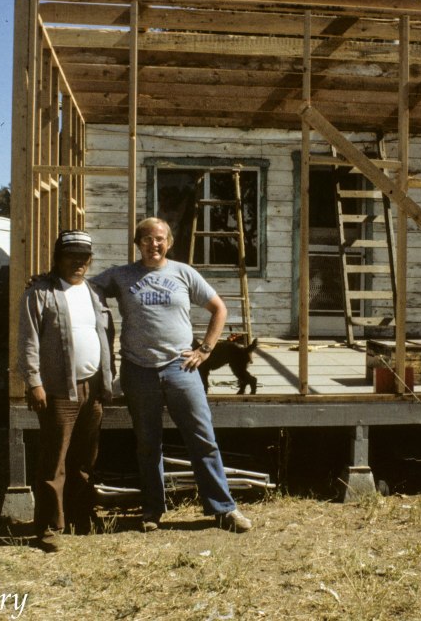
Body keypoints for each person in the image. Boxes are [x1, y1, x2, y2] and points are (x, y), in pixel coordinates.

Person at [91, 217, 252, 533]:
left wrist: (204, 350)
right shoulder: (122, 276)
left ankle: (223, 509)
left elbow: (219, 309)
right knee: (147, 444)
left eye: (160, 238)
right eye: (147, 239)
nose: (154, 244)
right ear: (138, 242)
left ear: (170, 242)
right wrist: (49, 281)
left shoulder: (184, 273)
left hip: (181, 369)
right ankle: (152, 510)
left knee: (203, 439)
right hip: (138, 371)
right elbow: (84, 284)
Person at [18, 230, 113, 552]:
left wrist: (106, 382)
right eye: (70, 256)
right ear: (57, 258)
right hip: (58, 391)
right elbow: (28, 342)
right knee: (53, 460)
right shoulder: (39, 293)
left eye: (84, 257)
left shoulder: (95, 292)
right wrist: (34, 382)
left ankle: (81, 517)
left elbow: (105, 338)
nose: (78, 262)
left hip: (93, 388)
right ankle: (48, 527)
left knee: (86, 460)